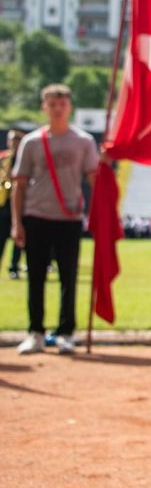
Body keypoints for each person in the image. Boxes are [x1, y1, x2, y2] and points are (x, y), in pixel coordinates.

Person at [10, 85, 99, 355]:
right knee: (35, 277)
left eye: (62, 104)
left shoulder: (83, 141)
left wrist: (101, 215)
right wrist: (17, 222)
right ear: (44, 107)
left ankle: (66, 333)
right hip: (36, 216)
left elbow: (95, 180)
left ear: (69, 107)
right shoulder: (32, 142)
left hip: (69, 219)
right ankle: (35, 332)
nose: (57, 109)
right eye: (52, 104)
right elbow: (19, 185)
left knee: (68, 277)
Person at [1, 128, 26, 279]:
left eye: (16, 140)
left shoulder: (24, 158)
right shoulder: (4, 158)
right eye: (11, 140)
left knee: (18, 239)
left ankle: (14, 267)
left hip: (19, 205)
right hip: (3, 204)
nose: (13, 143)